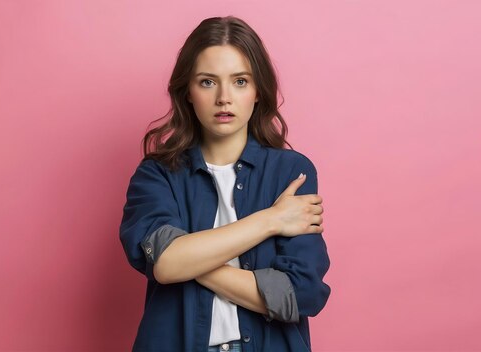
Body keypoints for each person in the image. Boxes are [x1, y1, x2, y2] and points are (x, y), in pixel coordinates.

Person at [119, 16, 331, 352]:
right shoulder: (156, 174)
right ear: (187, 91)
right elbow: (166, 264)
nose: (223, 98)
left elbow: (300, 293)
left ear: (258, 90)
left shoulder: (292, 172)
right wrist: (271, 220)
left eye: (240, 81)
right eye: (207, 82)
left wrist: (188, 259)